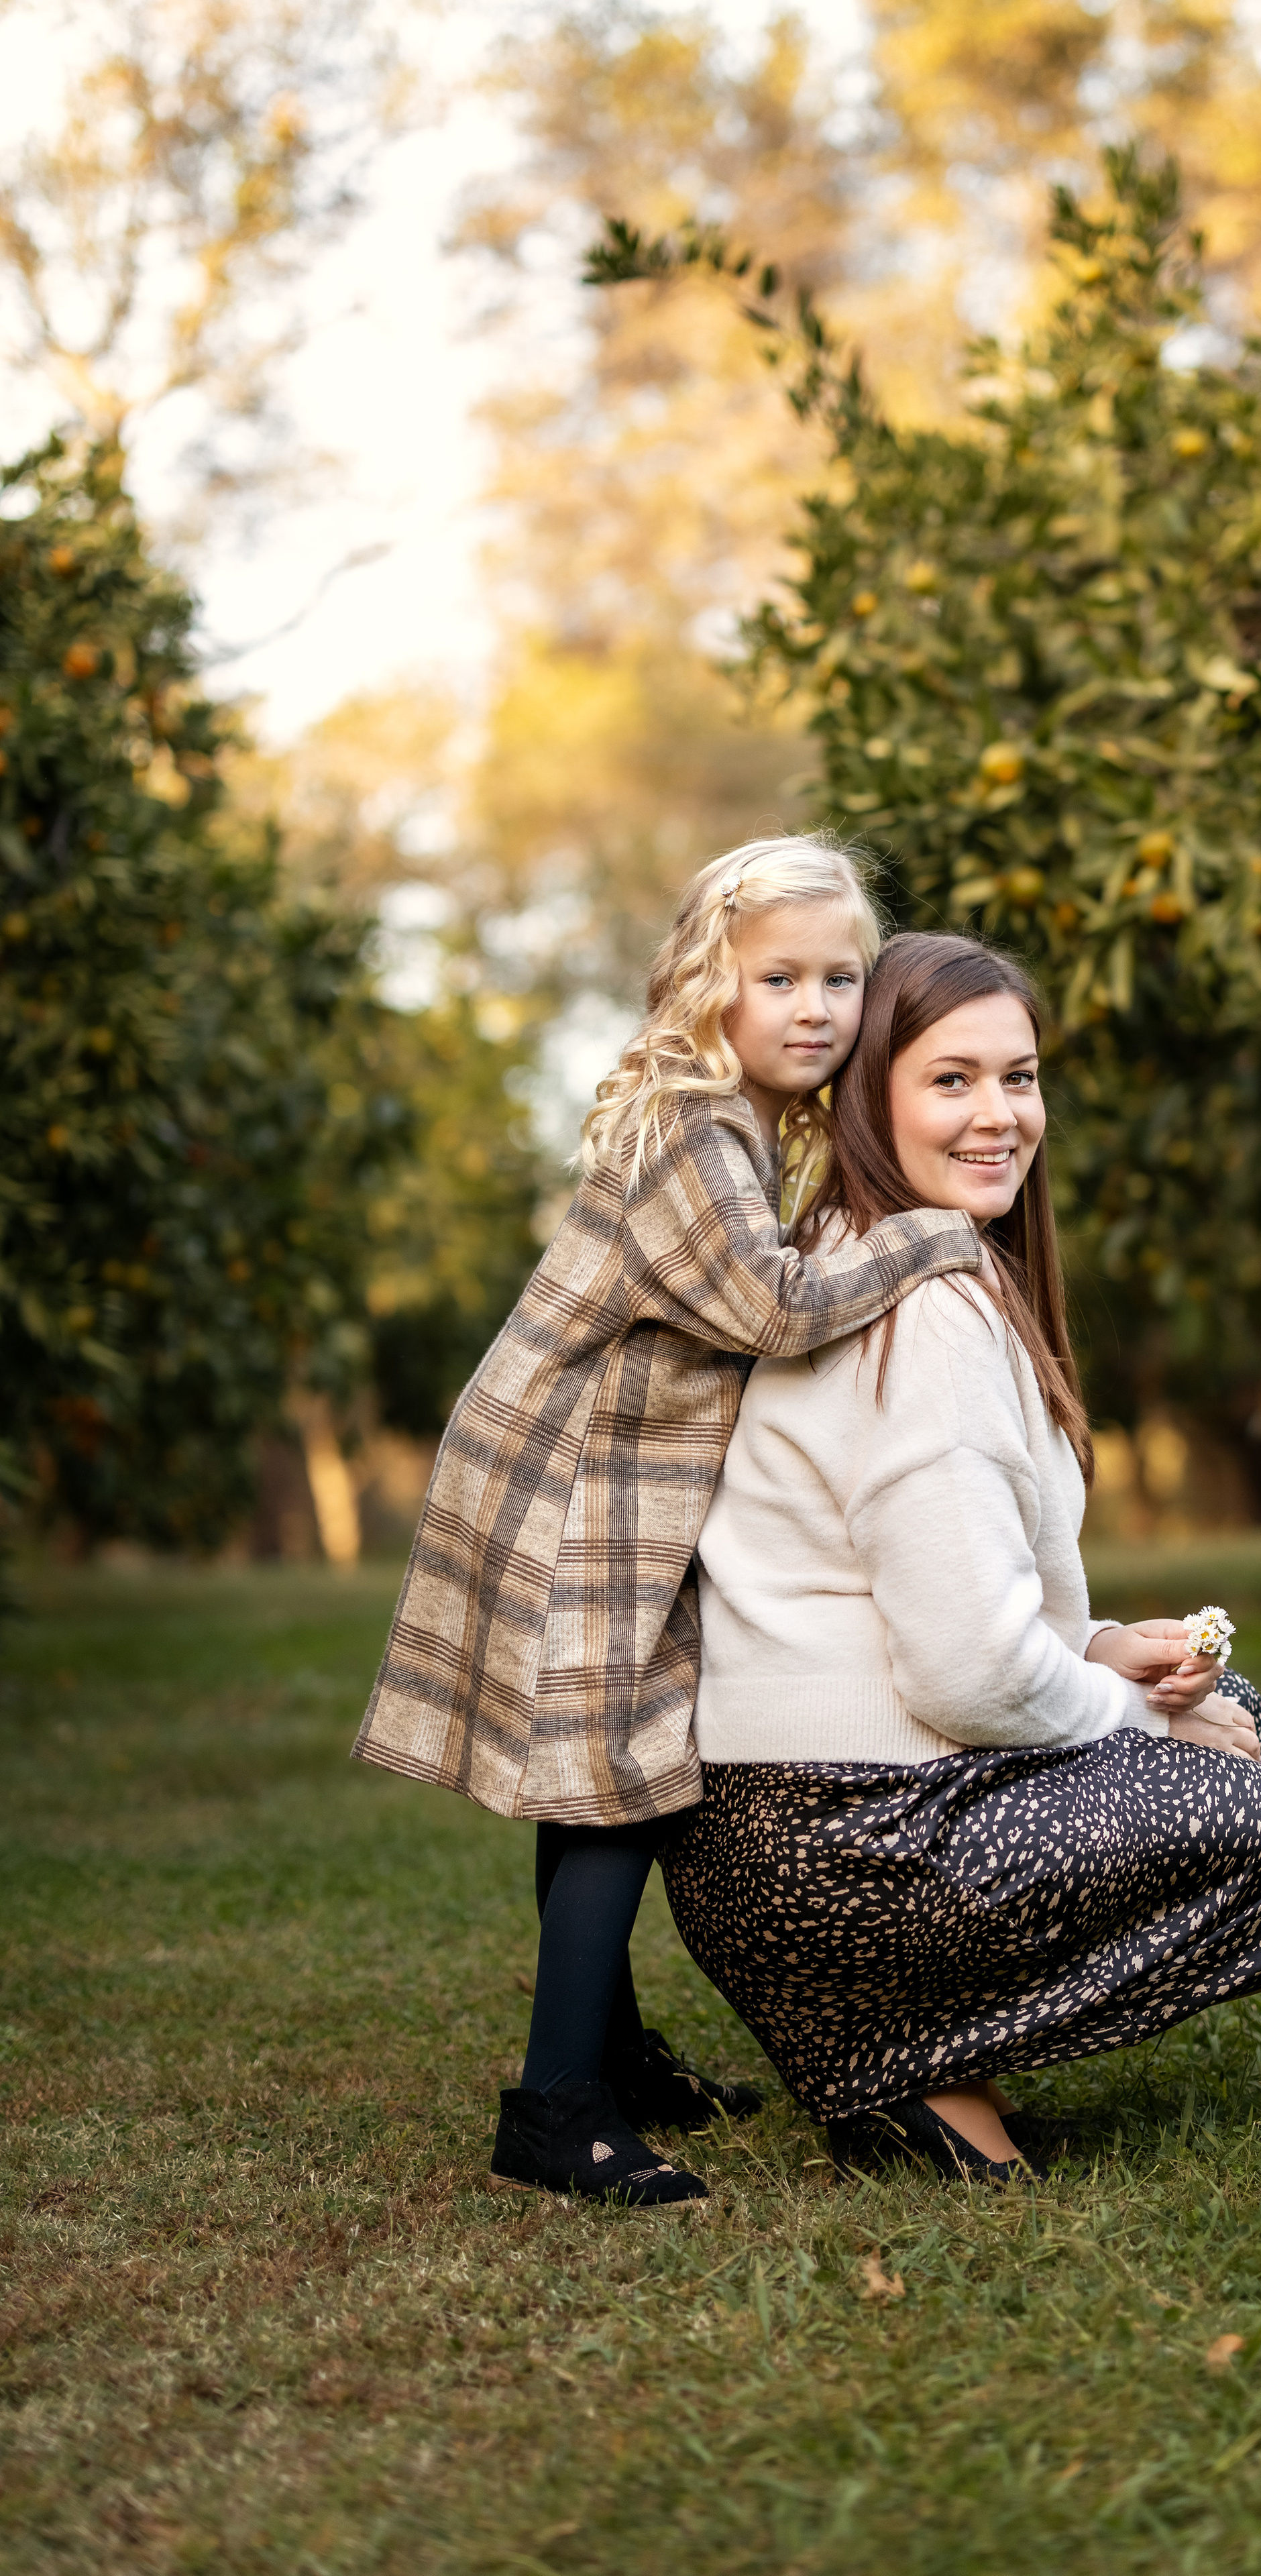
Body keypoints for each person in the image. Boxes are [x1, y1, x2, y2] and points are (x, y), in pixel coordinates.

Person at [662, 932, 1261, 2180]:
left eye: (1021, 1077)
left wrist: (1100, 1650)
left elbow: (930, 1595)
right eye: (952, 1080)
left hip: (780, 1833)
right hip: (841, 1842)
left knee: (1237, 1722)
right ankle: (895, 2059)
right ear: (867, 1096)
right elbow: (968, 1675)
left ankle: (922, 2064)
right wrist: (1135, 1717)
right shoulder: (922, 1310)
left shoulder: (873, 1258)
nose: (999, 1115)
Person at [352, 842, 987, 2205]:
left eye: (840, 979)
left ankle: (612, 2054)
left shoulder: (739, 1118)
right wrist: (932, 1234)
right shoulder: (696, 1127)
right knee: (619, 1788)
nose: (815, 1008)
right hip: (573, 1480)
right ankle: (555, 2110)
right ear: (712, 984)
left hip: (603, 1475)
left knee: (590, 1767)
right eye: (779, 979)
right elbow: (770, 1308)